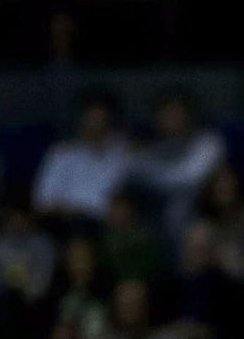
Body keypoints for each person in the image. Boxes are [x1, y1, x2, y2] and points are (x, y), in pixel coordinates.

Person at [130, 91, 224, 242]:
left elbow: (190, 178)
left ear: (189, 115)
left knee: (179, 203)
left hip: (203, 212)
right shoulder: (150, 149)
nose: (170, 118)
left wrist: (154, 177)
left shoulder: (209, 142)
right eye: (164, 113)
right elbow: (132, 170)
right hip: (155, 214)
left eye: (175, 112)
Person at [33, 94, 130, 230]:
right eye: (92, 119)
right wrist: (77, 213)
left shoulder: (123, 153)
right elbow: (43, 203)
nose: (97, 125)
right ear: (81, 120)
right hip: (71, 226)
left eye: (102, 119)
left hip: (113, 227)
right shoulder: (62, 154)